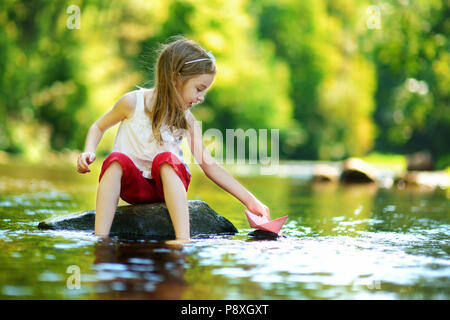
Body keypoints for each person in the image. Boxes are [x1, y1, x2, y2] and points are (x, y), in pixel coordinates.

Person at [76, 35, 270, 241]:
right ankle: (101, 238)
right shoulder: (132, 103)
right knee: (116, 160)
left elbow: (210, 166)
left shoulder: (187, 119)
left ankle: (182, 240)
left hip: (166, 187)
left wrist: (251, 201)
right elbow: (98, 126)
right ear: (175, 78)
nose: (201, 98)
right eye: (199, 89)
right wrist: (89, 150)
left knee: (166, 159)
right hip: (133, 187)